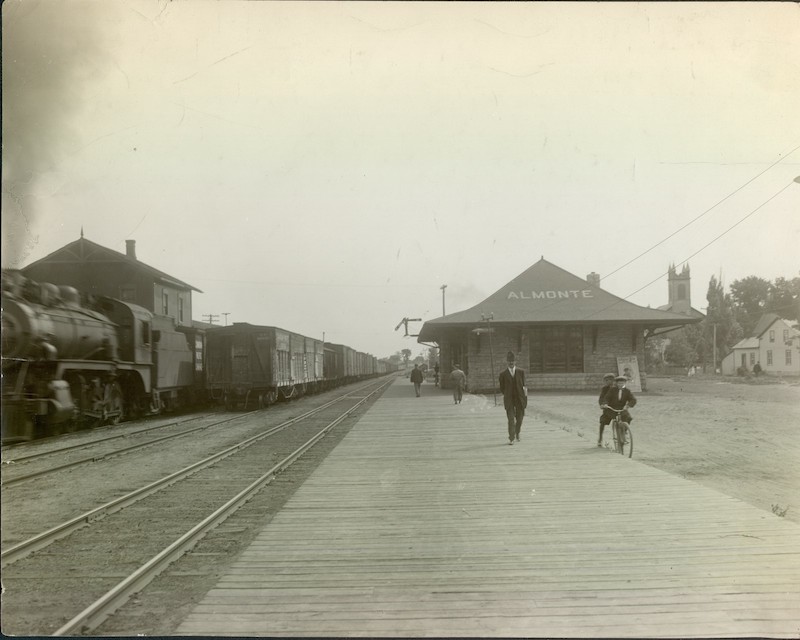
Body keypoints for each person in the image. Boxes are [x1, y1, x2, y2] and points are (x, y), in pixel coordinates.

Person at [498, 351, 527, 445]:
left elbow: (524, 386)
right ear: (507, 362)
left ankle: (517, 432)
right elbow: (502, 388)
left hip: (519, 399)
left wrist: (525, 399)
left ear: (515, 362)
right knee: (511, 419)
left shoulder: (521, 372)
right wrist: (507, 394)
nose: (511, 363)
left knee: (520, 418)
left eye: (513, 361)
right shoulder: (503, 374)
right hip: (509, 399)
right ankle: (511, 438)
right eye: (509, 361)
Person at [597, 373, 616, 447]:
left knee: (624, 418)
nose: (609, 382)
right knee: (602, 422)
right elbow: (601, 398)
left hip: (617, 407)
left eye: (611, 380)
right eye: (607, 380)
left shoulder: (618, 387)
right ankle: (600, 438)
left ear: (614, 380)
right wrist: (602, 404)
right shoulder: (604, 389)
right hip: (608, 408)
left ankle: (624, 433)